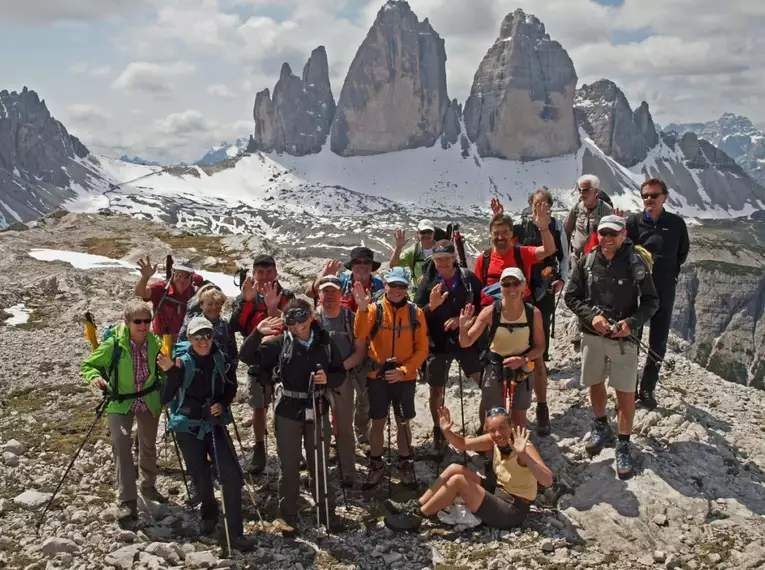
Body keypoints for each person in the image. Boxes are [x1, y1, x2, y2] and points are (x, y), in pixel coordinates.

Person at [239, 299, 346, 536]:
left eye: (301, 320)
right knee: (289, 465)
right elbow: (247, 356)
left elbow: (340, 373)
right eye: (291, 322)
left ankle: (326, 511)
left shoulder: (325, 342)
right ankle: (288, 514)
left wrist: (327, 379)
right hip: (287, 408)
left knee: (318, 461)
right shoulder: (279, 343)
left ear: (310, 317)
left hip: (317, 406)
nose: (297, 326)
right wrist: (257, 333)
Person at [564, 215, 659, 479]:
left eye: (612, 234)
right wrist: (591, 317)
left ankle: (624, 442)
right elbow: (571, 297)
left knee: (625, 391)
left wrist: (631, 322)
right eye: (603, 234)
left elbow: (651, 302)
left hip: (623, 339)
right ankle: (600, 424)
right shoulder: (588, 260)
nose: (607, 239)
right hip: (592, 335)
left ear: (623, 234)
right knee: (595, 382)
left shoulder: (635, 263)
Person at [157, 316, 254, 551]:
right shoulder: (181, 362)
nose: (203, 341)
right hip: (187, 426)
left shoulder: (220, 358)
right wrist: (171, 373)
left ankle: (233, 533)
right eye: (197, 337)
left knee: (231, 475)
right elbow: (165, 397)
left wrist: (221, 403)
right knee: (200, 475)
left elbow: (230, 386)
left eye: (207, 335)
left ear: (213, 336)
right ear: (189, 338)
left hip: (213, 423)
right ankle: (209, 512)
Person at [384, 406, 552, 531]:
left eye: (502, 428)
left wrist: (525, 457)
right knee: (455, 468)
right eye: (492, 430)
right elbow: (462, 444)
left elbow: (547, 480)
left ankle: (417, 517)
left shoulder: (523, 446)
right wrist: (447, 431)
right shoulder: (493, 440)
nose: (497, 434)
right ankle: (415, 505)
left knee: (459, 481)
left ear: (511, 426)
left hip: (514, 510)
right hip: (500, 493)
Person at [81, 300, 166, 522]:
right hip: (120, 400)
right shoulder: (114, 345)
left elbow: (164, 369)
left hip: (148, 398)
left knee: (148, 443)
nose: (143, 325)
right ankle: (128, 499)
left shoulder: (155, 343)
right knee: (121, 444)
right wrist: (96, 378)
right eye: (137, 321)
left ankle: (148, 486)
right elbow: (88, 364)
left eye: (147, 321)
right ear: (127, 322)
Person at [352, 267, 429, 489]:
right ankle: (376, 465)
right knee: (378, 421)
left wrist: (404, 371)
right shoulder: (375, 310)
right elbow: (360, 333)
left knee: (403, 421)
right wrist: (362, 309)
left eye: (402, 286)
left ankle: (404, 464)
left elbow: (422, 348)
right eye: (393, 285)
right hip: (377, 375)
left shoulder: (416, 313)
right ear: (385, 285)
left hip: (404, 377)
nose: (397, 290)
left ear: (407, 288)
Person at [413, 240, 483, 455]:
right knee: (436, 389)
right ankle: (438, 431)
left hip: (466, 339)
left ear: (453, 258)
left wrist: (458, 319)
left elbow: (481, 308)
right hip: (438, 343)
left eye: (446, 258)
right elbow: (416, 313)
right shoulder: (427, 282)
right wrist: (431, 306)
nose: (442, 263)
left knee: (483, 380)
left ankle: (485, 429)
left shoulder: (468, 279)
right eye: (438, 259)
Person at [627, 179, 689, 410]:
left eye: (654, 195)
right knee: (633, 338)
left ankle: (647, 388)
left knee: (658, 341)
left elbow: (681, 254)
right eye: (645, 196)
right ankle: (629, 387)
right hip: (638, 291)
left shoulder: (676, 224)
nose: (649, 200)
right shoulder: (633, 222)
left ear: (665, 197)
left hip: (664, 289)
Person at [458, 268, 545, 430]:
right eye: (506, 284)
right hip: (495, 367)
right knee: (493, 418)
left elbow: (540, 347)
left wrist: (523, 359)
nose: (511, 289)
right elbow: (466, 342)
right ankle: (491, 453)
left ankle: (516, 453)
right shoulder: (490, 312)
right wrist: (463, 329)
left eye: (516, 284)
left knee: (519, 418)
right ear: (501, 287)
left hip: (522, 369)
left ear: (524, 286)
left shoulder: (533, 313)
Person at [511, 189, 568, 436]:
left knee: (539, 347)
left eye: (545, 203)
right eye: (537, 203)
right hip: (523, 289)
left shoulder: (555, 226)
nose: (541, 207)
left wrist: (562, 280)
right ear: (530, 205)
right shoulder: (521, 225)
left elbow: (563, 255)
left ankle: (542, 407)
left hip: (544, 289)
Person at [230, 254, 293, 475]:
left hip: (282, 357)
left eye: (269, 272)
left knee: (285, 405)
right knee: (259, 407)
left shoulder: (286, 295)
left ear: (276, 272)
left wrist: (274, 308)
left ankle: (289, 446)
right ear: (254, 273)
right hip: (255, 357)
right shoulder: (246, 297)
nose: (265, 276)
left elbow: (294, 322)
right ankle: (259, 448)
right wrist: (247, 301)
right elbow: (234, 325)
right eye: (260, 272)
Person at [314, 275, 368, 487]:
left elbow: (360, 352)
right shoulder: (313, 318)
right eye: (325, 291)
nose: (329, 296)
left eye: (333, 291)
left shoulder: (350, 318)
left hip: (343, 378)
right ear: (318, 295)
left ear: (341, 294)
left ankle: (348, 471)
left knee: (344, 427)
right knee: (320, 427)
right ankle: (320, 470)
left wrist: (337, 370)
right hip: (317, 379)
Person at [475, 200, 556, 306]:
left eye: (504, 232)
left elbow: (549, 250)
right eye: (496, 233)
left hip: (521, 313)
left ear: (512, 233)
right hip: (493, 315)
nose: (500, 237)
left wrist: (544, 228)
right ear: (491, 234)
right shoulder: (484, 259)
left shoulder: (522, 253)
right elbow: (477, 291)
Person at [135, 257, 201, 338]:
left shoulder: (194, 293)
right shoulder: (161, 288)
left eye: (187, 276)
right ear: (173, 273)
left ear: (191, 277)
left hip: (185, 343)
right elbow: (140, 293)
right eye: (179, 275)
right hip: (160, 341)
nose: (182, 280)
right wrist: (145, 277)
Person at [308, 247, 385, 312]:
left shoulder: (381, 286)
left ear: (372, 266)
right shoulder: (340, 282)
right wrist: (322, 278)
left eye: (366, 262)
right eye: (357, 262)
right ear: (351, 266)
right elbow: (309, 293)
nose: (362, 265)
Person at [563, 174, 613, 272]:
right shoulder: (576, 209)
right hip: (577, 259)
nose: (582, 193)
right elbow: (566, 232)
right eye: (579, 190)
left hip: (598, 260)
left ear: (596, 191)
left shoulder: (606, 210)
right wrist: (566, 256)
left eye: (585, 190)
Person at [388, 219, 438, 290]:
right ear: (418, 233)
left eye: (429, 232)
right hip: (417, 293)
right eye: (423, 232)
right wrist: (398, 247)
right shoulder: (412, 252)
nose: (426, 235)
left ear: (434, 233)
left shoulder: (441, 249)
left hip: (438, 292)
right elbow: (393, 266)